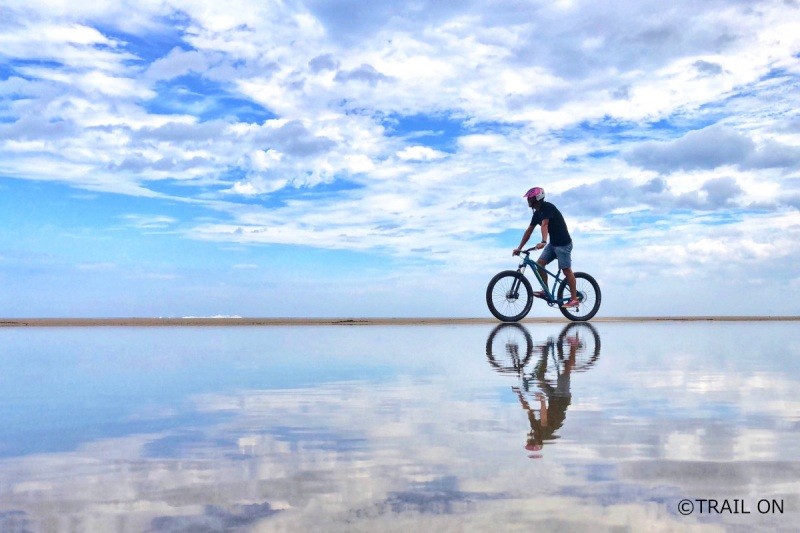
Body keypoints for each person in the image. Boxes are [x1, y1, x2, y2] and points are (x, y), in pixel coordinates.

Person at [512, 187, 579, 307]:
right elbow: (529, 231)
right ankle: (546, 292)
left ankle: (574, 299)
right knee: (540, 264)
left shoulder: (547, 207)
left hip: (563, 244)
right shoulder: (537, 213)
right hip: (553, 244)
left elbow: (545, 224)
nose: (528, 200)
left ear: (537, 198)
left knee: (566, 270)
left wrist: (543, 241)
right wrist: (519, 248)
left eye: (530, 198)